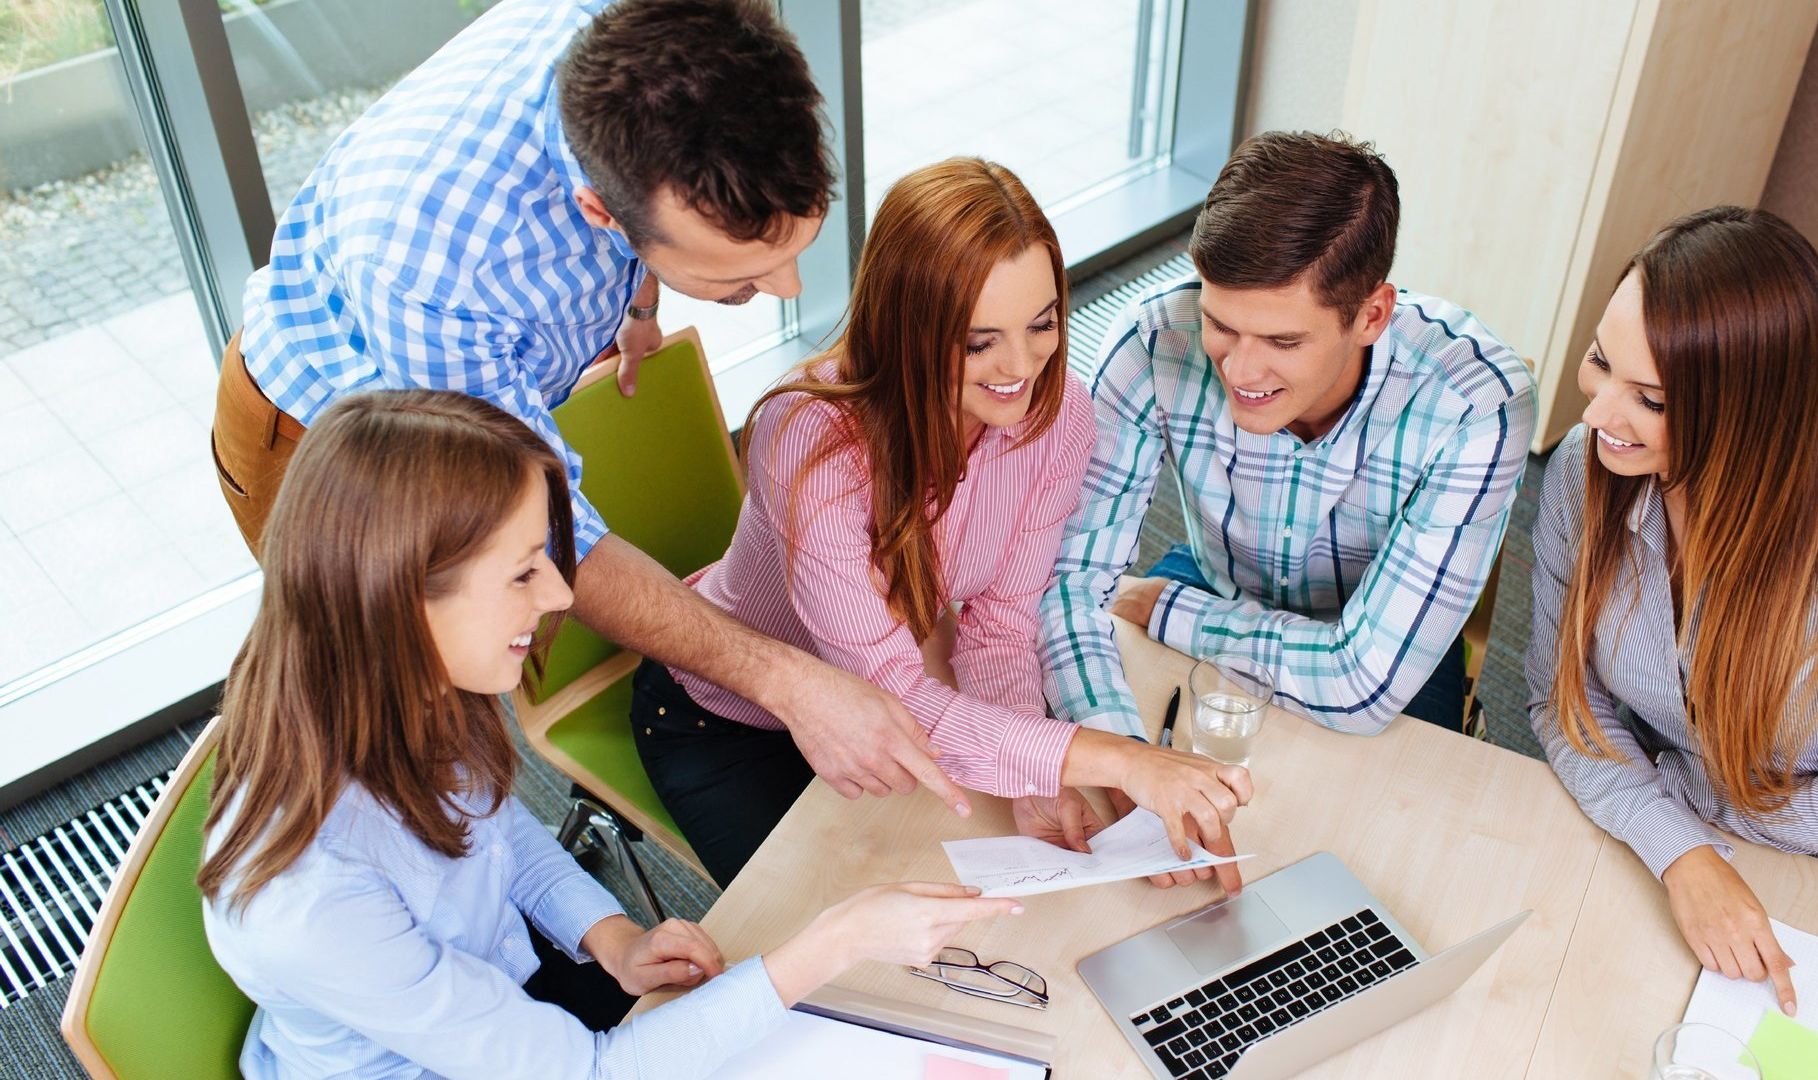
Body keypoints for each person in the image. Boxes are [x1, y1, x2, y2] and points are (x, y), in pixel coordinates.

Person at [209, 0, 969, 821]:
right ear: (600, 211)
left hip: (484, 357)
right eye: (738, 276)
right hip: (325, 431)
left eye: (797, 245)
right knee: (411, 729)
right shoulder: (438, 276)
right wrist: (788, 684)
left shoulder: (668, 33)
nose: (788, 288)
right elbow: (560, 536)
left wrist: (638, 307)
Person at [199, 391, 1019, 1079]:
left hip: (508, 994)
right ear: (400, 599)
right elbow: (594, 1073)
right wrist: (836, 942)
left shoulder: (395, 690)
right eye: (523, 571)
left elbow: (496, 837)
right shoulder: (311, 899)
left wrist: (611, 936)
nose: (560, 596)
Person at [630, 159, 1253, 888]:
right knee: (825, 933)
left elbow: (1001, 626)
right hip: (728, 720)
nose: (1022, 366)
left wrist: (1033, 778)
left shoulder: (1057, 418)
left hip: (885, 698)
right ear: (907, 328)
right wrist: (1124, 760)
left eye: (1042, 323)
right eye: (979, 342)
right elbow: (890, 697)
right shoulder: (808, 436)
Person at [1526, 206, 1818, 1020]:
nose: (1597, 415)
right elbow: (1564, 704)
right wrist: (1682, 854)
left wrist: (1676, 793)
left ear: (1750, 413)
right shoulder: (1585, 471)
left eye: (1650, 399)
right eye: (1601, 362)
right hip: (1665, 849)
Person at [1040, 130, 1536, 758]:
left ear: (1372, 315)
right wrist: (1119, 758)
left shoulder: (1476, 403)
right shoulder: (1151, 340)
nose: (1240, 372)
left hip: (1376, 631)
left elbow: (1360, 685)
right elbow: (1070, 584)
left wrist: (1166, 606)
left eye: (1283, 342)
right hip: (1217, 585)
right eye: (1221, 324)